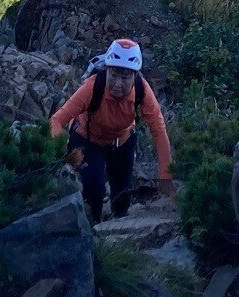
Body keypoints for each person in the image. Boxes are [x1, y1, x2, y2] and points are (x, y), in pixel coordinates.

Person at [49, 38, 174, 224]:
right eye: (113, 75)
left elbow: (159, 130)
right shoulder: (92, 87)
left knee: (122, 199)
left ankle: (118, 230)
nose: (117, 84)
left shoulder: (142, 90)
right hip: (87, 140)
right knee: (94, 191)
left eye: (125, 78)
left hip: (122, 140)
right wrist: (64, 152)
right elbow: (57, 120)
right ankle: (92, 228)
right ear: (106, 70)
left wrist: (165, 175)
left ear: (135, 77)